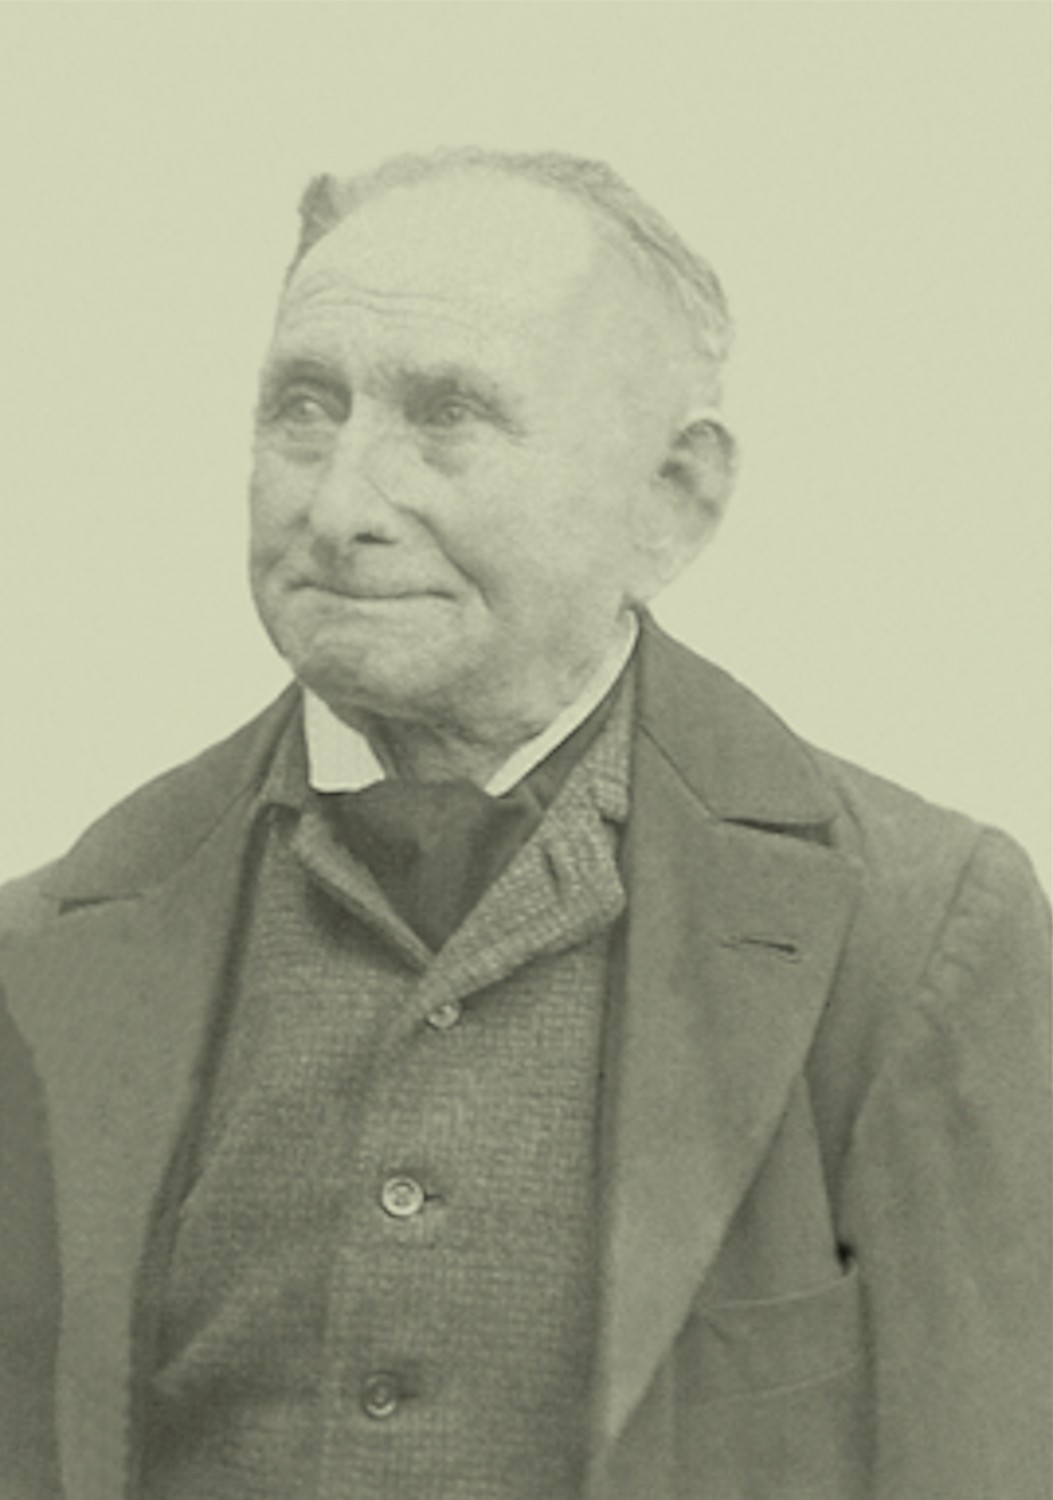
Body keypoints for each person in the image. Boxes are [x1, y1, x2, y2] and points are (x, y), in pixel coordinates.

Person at [0, 147, 1048, 1500]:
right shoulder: (49, 953)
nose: (340, 503)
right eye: (305, 408)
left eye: (448, 414)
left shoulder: (915, 939)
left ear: (672, 501)